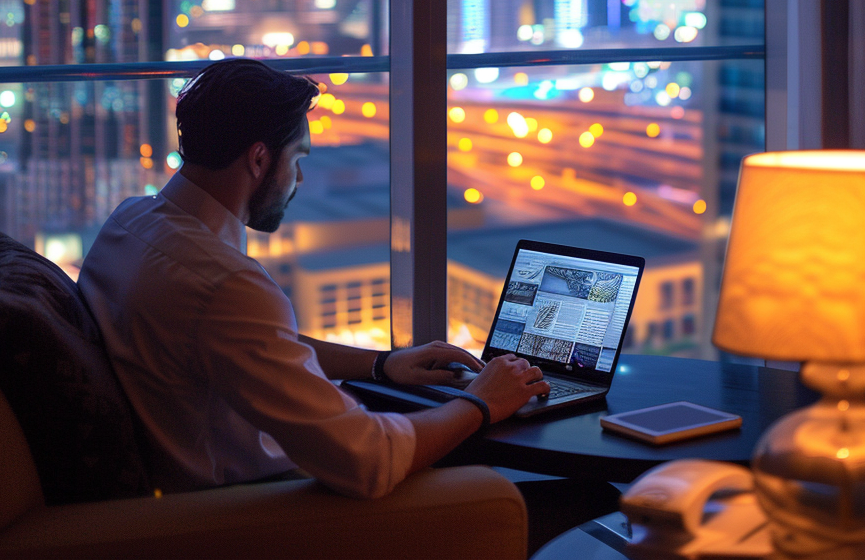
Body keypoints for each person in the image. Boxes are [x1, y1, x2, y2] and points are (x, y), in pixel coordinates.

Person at [79, 59, 619, 551]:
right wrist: (481, 403)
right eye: (298, 160)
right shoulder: (225, 284)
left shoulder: (132, 224)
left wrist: (381, 364)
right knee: (587, 502)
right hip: (262, 509)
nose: (299, 180)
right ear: (260, 159)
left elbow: (237, 343)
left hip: (208, 484)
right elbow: (369, 462)